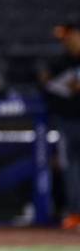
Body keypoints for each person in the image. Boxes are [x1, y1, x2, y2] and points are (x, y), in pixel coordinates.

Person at [40, 21, 80, 230]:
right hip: (68, 121)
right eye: (66, 38)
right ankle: (75, 213)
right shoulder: (59, 63)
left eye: (72, 36)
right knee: (70, 167)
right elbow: (46, 87)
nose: (69, 41)